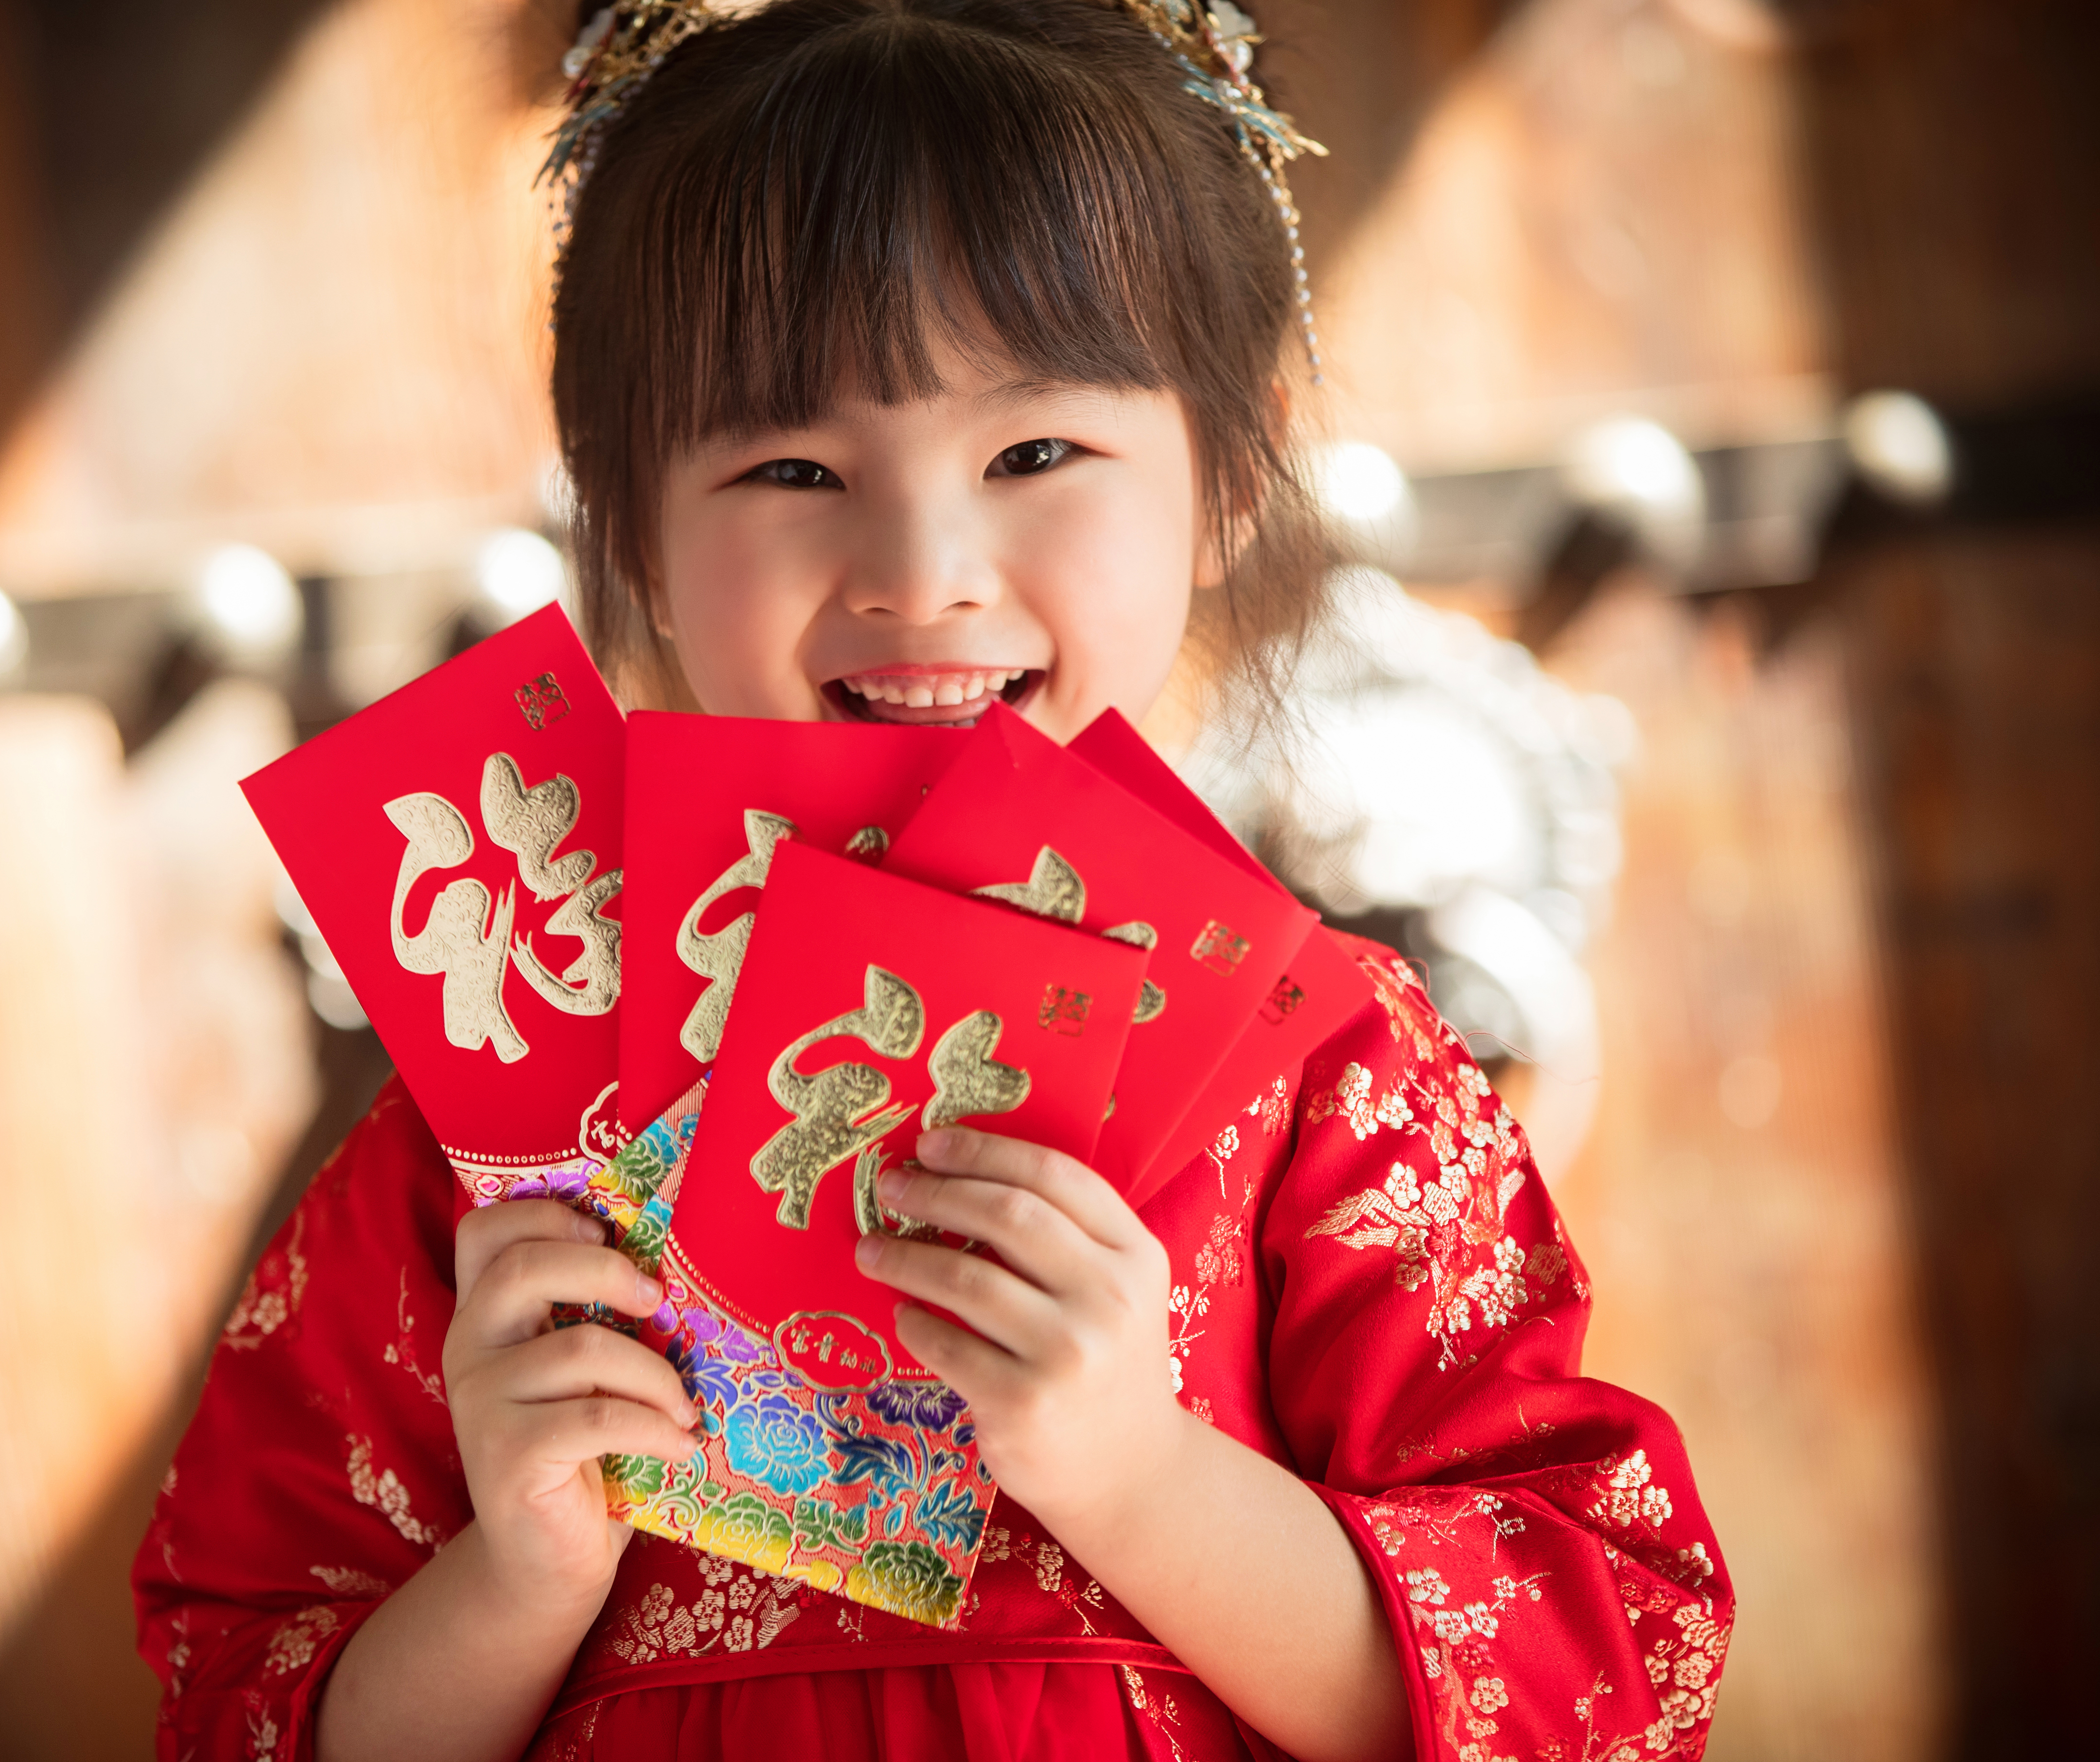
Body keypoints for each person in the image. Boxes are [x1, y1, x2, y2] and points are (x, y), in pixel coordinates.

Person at [133, 3, 1732, 1758]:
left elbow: (1591, 1670)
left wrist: (1140, 1476)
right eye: (791, 468)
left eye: (1034, 454)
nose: (920, 571)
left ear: (1230, 466)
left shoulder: (1330, 1064)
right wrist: (517, 1574)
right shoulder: (503, 1108)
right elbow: (241, 1694)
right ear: (630, 527)